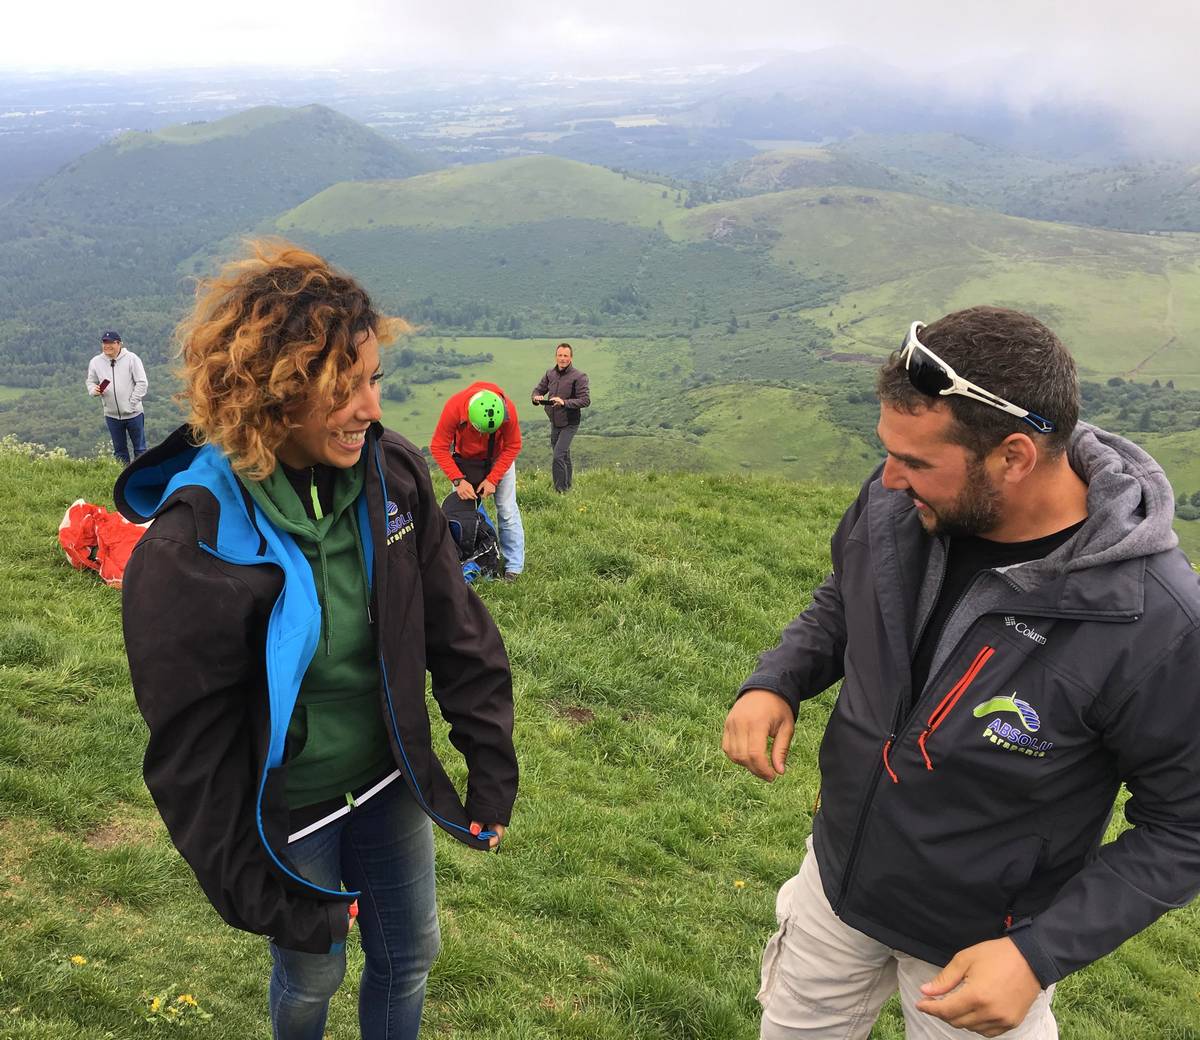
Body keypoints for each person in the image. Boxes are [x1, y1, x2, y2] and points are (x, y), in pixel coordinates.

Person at [723, 306, 1200, 1040]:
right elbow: (847, 596)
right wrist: (777, 677)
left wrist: (1037, 953)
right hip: (836, 882)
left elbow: (1184, 826)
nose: (887, 478)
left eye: (915, 462)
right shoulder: (898, 506)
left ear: (1014, 456)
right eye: (888, 452)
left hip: (983, 948)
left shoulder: (1155, 621)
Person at [114, 241, 517, 1040]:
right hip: (290, 807)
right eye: (346, 388)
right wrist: (247, 881)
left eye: (373, 380)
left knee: (411, 956)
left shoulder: (392, 475)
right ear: (277, 395)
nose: (372, 408)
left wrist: (489, 766)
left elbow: (455, 624)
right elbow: (188, 742)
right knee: (312, 973)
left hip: (386, 778)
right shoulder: (192, 538)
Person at [430, 381, 524, 580]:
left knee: (507, 510)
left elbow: (513, 445)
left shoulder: (508, 410)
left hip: (498, 458)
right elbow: (438, 447)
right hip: (464, 462)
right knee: (462, 515)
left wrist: (493, 479)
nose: (482, 435)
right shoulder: (455, 407)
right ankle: (465, 561)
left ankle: (513, 567)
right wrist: (458, 480)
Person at [531, 342, 590, 493]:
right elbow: (538, 389)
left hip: (570, 422)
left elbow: (585, 400)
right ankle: (568, 487)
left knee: (558, 456)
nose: (562, 358)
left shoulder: (579, 376)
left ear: (571, 358)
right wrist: (536, 398)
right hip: (554, 421)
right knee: (564, 456)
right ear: (556, 356)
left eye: (565, 356)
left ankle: (560, 491)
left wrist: (564, 402)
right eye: (560, 355)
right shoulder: (550, 374)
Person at [86, 330, 148, 464]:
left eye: (111, 343)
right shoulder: (96, 362)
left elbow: (142, 383)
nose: (107, 346)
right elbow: (90, 381)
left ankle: (142, 478)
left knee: (140, 449)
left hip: (134, 414)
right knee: (119, 451)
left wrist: (131, 404)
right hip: (112, 415)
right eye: (104, 342)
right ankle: (123, 479)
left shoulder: (132, 359)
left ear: (119, 344)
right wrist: (93, 390)